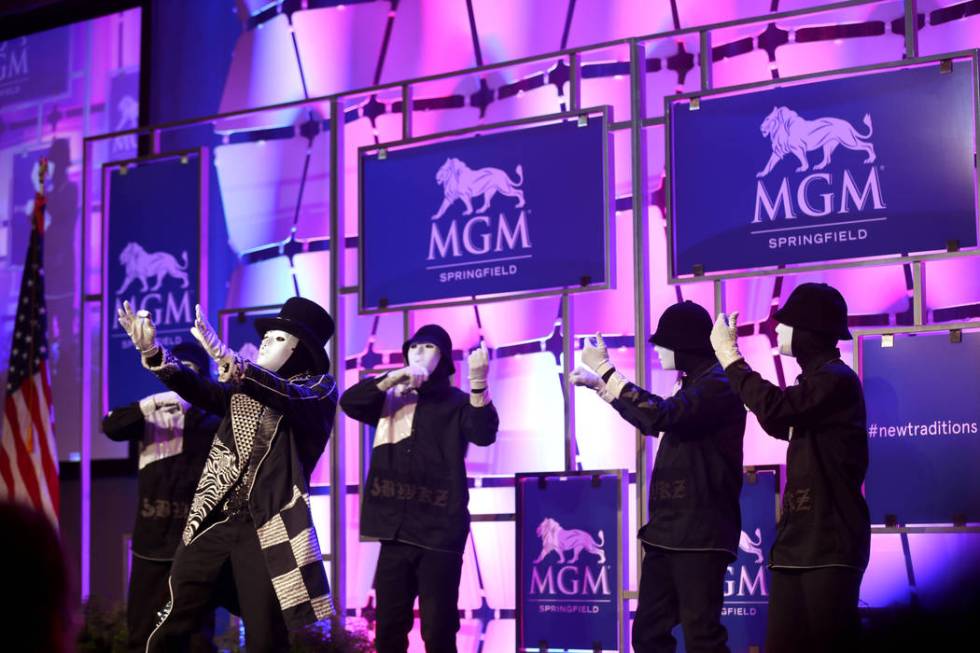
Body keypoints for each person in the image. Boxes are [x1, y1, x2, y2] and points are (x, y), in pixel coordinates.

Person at [116, 296, 338, 653]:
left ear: (301, 351)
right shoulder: (240, 389)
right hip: (213, 521)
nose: (266, 340)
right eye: (268, 335)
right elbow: (201, 388)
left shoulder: (318, 390)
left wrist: (233, 364)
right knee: (169, 624)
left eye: (280, 338)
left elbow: (289, 397)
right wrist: (155, 354)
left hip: (268, 528)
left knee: (265, 637)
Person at [572, 301, 745, 653]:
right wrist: (604, 390)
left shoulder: (718, 383)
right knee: (649, 634)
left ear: (684, 346)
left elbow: (664, 415)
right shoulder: (696, 384)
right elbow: (654, 419)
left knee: (702, 636)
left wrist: (607, 372)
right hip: (669, 532)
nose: (658, 350)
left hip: (701, 534)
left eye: (664, 342)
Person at [709, 282, 870, 653]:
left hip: (830, 544)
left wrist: (731, 357)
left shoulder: (837, 380)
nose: (776, 329)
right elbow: (777, 418)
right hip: (796, 545)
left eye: (786, 323)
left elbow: (778, 409)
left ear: (810, 331)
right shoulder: (816, 384)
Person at [340, 325, 499, 653]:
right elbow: (350, 403)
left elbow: (483, 433)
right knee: (388, 627)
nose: (419, 353)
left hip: (440, 532)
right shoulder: (391, 399)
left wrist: (479, 384)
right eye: (414, 347)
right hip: (394, 531)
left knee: (438, 629)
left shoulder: (456, 402)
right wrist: (390, 378)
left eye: (429, 347)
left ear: (443, 357)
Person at [102, 341, 221, 653]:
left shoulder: (214, 422)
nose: (180, 381)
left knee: (196, 638)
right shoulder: (152, 415)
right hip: (150, 547)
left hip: (196, 547)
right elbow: (111, 426)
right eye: (174, 373)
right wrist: (155, 401)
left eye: (188, 373)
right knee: (142, 635)